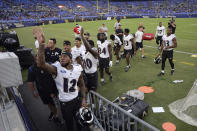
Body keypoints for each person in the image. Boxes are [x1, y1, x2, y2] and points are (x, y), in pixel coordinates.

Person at [33, 27, 87, 131]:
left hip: (76, 100)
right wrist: (41, 45)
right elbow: (41, 63)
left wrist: (83, 98)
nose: (61, 58)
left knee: (79, 121)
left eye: (65, 57)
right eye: (61, 56)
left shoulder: (77, 69)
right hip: (65, 103)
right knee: (69, 124)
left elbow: (82, 84)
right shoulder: (56, 69)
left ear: (70, 60)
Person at [27, 55, 60, 123]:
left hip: (52, 90)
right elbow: (30, 82)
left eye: (41, 59)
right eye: (38, 60)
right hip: (42, 91)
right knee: (48, 103)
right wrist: (33, 91)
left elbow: (57, 74)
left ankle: (56, 116)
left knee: (55, 104)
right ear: (35, 60)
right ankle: (52, 112)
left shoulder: (50, 64)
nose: (40, 61)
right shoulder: (32, 68)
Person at [80, 27, 99, 92]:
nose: (85, 46)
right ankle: (89, 99)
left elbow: (89, 49)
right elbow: (83, 62)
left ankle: (96, 101)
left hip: (93, 74)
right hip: (86, 73)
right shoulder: (83, 52)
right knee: (86, 88)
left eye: (88, 45)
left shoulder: (94, 51)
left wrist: (82, 36)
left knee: (93, 90)